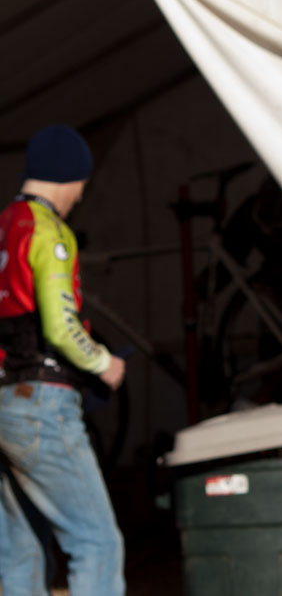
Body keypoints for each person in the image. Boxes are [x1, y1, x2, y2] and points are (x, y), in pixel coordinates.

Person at [0, 124, 127, 596]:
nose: (79, 197)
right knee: (97, 541)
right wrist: (103, 363)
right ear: (70, 178)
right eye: (81, 187)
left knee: (21, 548)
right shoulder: (49, 229)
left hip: (3, 402)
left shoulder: (3, 224)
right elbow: (60, 326)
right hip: (40, 405)